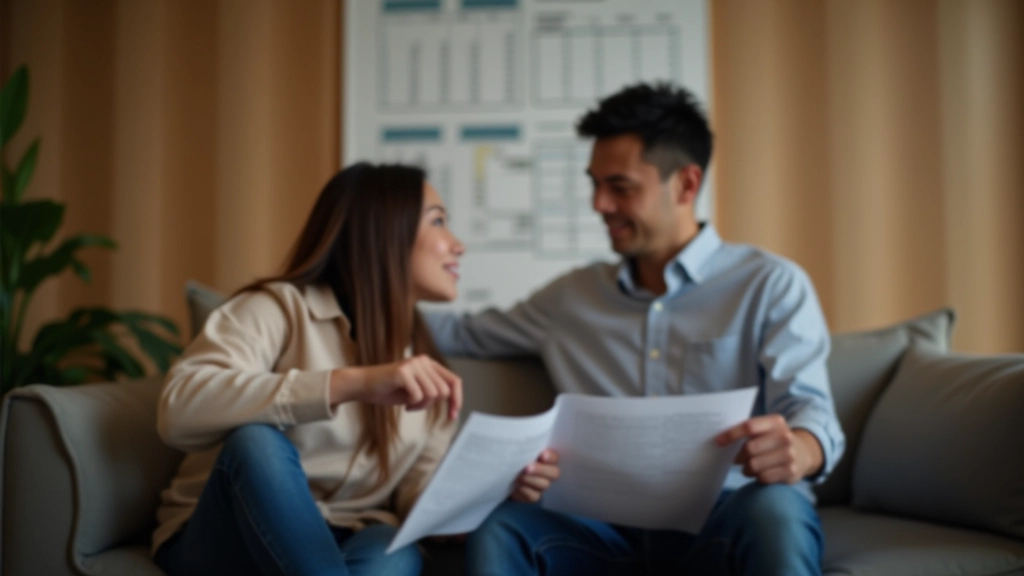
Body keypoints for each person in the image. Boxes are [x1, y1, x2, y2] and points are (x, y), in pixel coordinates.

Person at [425, 83, 845, 576]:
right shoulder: (569, 299)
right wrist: (350, 295)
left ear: (686, 185)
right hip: (599, 533)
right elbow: (460, 335)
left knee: (778, 508)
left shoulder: (770, 284)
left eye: (620, 187)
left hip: (726, 522)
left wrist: (802, 448)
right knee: (503, 527)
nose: (599, 204)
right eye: (594, 183)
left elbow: (810, 407)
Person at [152, 163, 468, 576]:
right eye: (439, 222)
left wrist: (491, 494)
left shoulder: (429, 369)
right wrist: (349, 383)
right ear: (382, 232)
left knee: (394, 550)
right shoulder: (277, 308)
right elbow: (179, 407)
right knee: (256, 443)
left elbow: (416, 495)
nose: (457, 245)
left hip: (347, 535)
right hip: (227, 535)